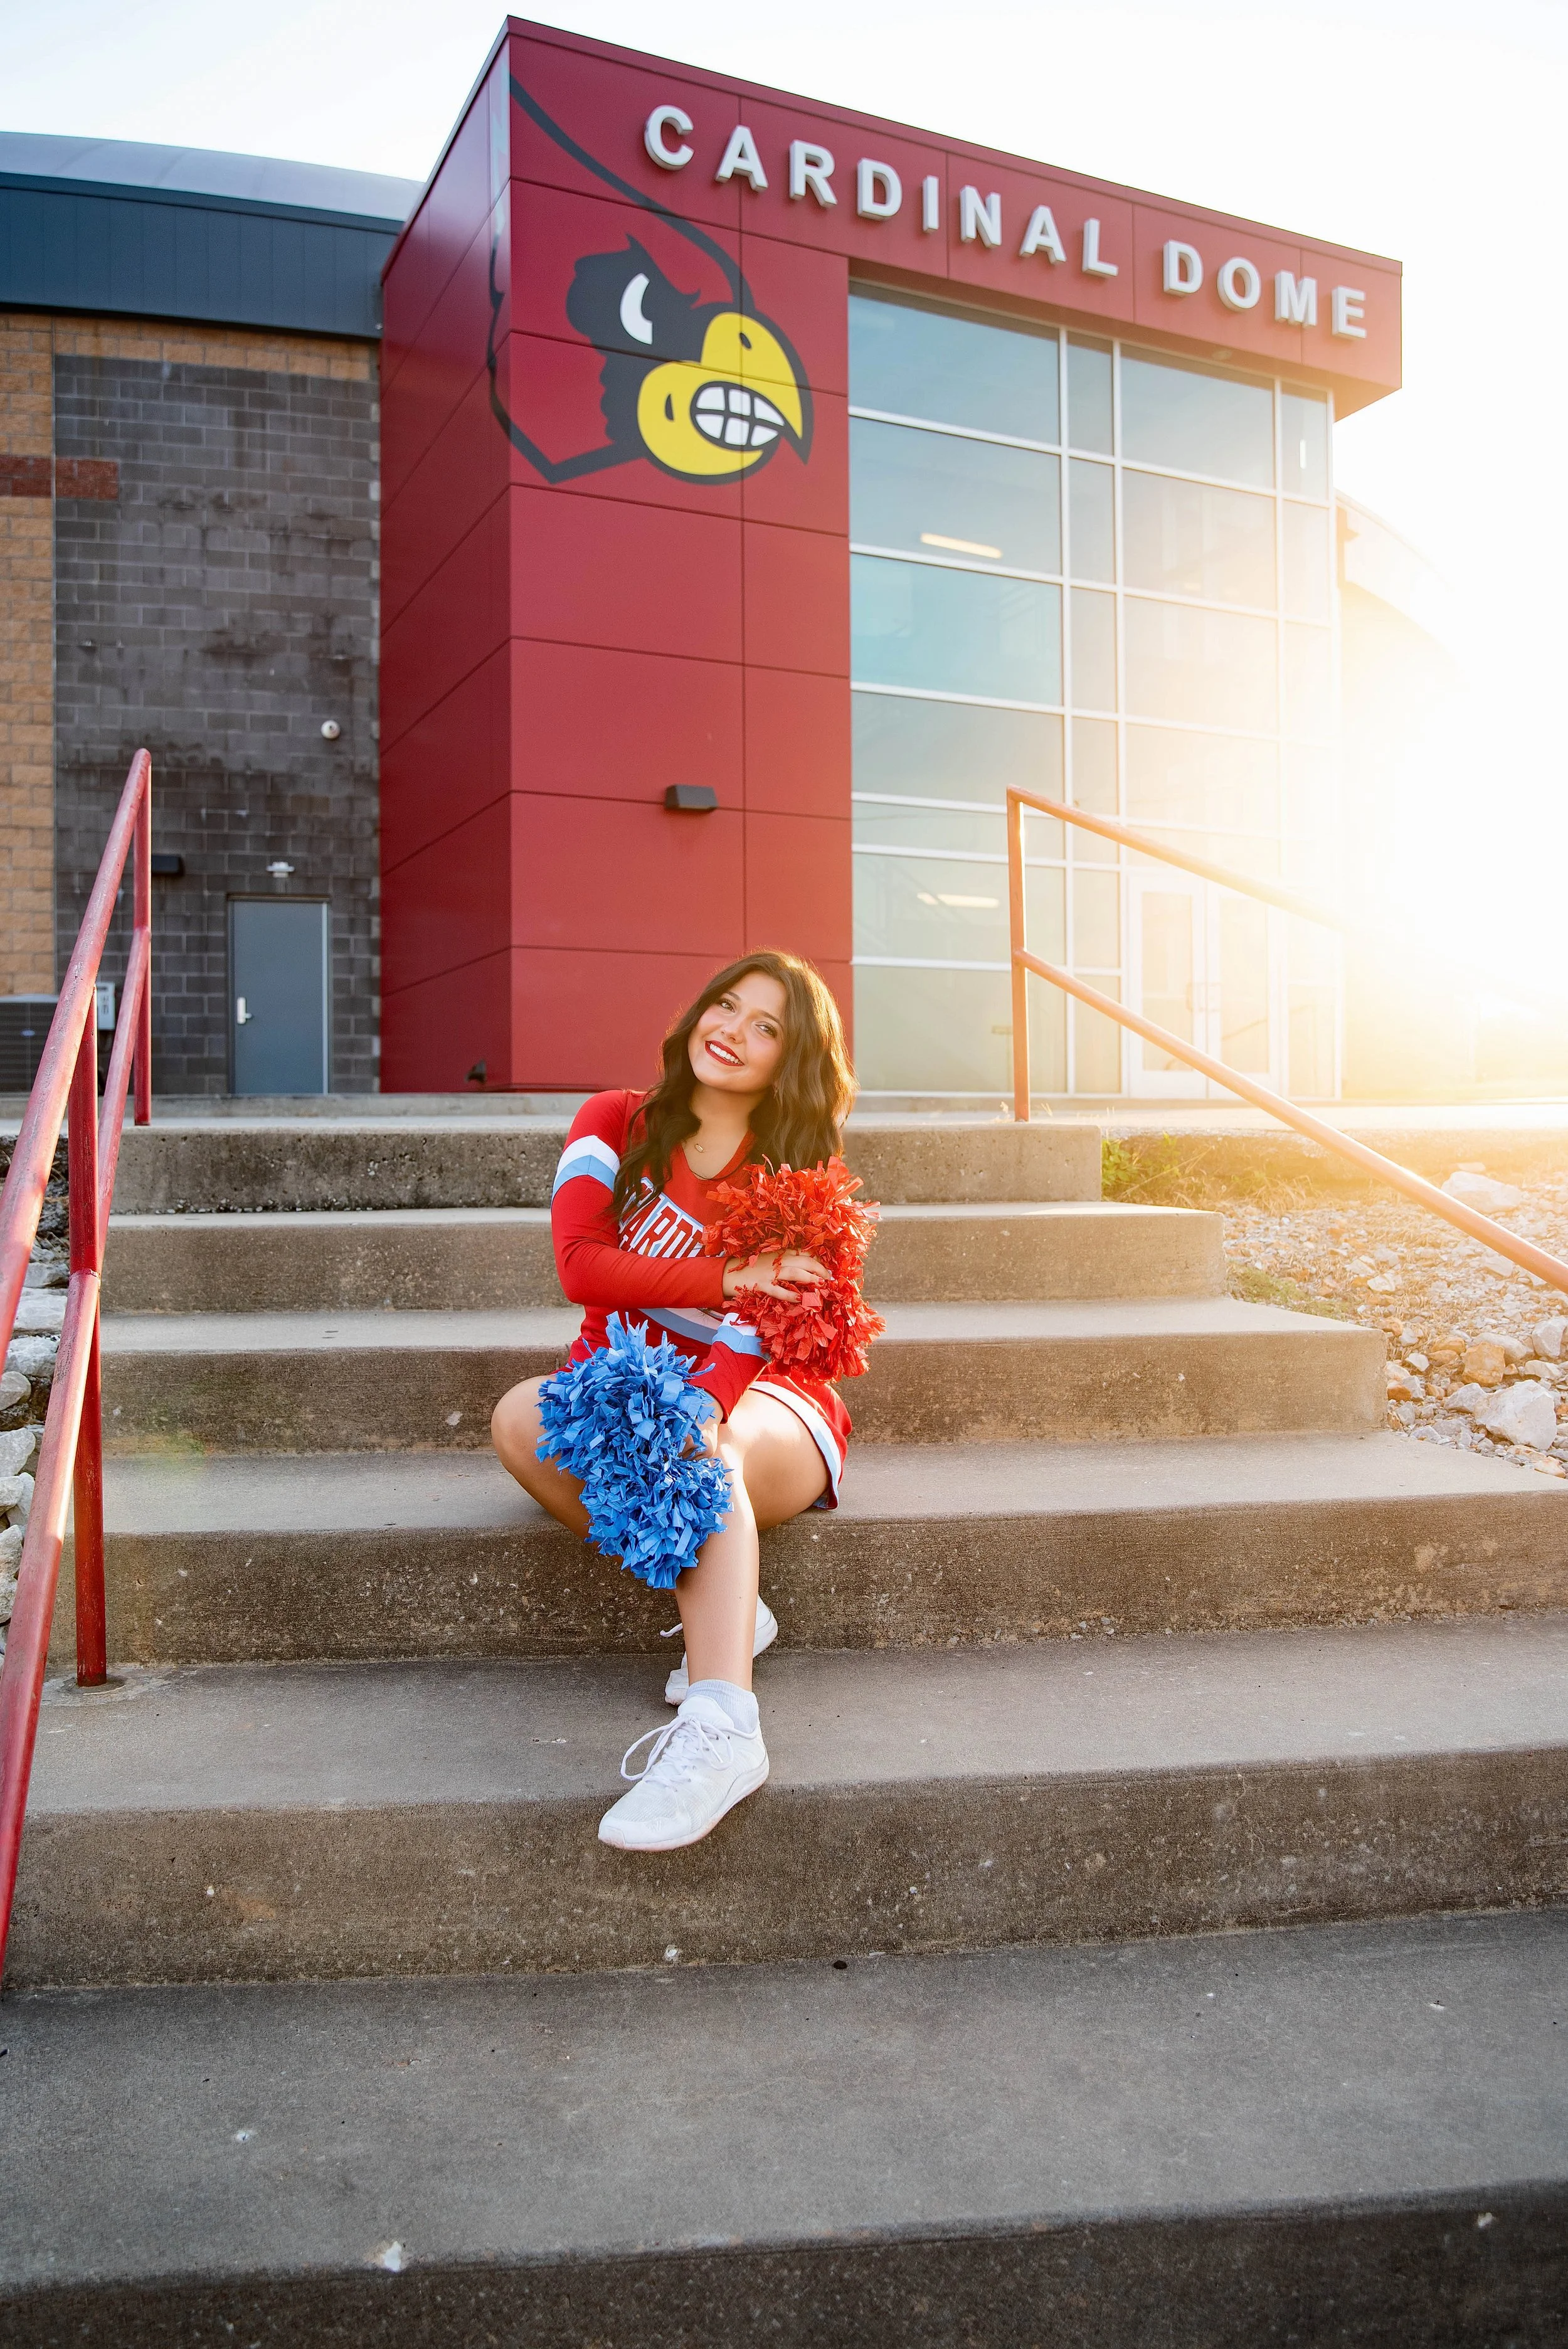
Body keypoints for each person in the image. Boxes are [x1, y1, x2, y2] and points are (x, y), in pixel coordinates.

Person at [491, 950, 858, 1853]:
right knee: (517, 1418)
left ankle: (724, 1726)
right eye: (726, 1007)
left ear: (791, 1059)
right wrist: (729, 1271)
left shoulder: (793, 1171)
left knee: (706, 1445)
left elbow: (760, 1328)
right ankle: (731, 1604)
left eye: (766, 1027)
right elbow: (580, 1263)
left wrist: (704, 1401)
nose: (732, 1032)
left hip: (770, 1402)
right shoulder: (613, 1121)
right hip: (619, 1386)